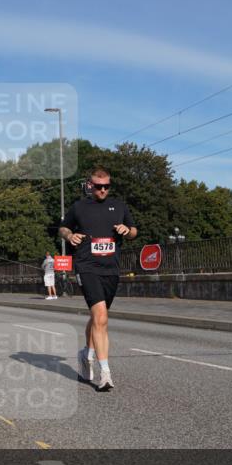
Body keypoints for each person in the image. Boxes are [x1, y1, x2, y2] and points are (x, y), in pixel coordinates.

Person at [60, 167, 137, 392]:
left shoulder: (119, 206)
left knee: (98, 318)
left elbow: (134, 231)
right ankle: (105, 374)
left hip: (111, 269)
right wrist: (70, 235)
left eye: (106, 186)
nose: (102, 190)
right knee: (101, 317)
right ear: (90, 185)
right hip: (87, 267)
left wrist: (127, 230)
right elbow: (63, 228)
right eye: (98, 186)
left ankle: (86, 353)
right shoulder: (79, 207)